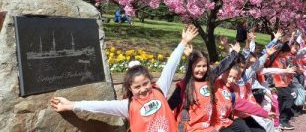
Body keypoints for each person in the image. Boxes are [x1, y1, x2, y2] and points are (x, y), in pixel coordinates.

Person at [50, 25, 199, 132]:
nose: (143, 89)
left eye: (145, 83)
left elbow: (170, 66)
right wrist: (71, 105)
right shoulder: (128, 106)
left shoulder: (159, 90)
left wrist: (183, 42)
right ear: (130, 88)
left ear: (150, 81)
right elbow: (99, 106)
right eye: (137, 87)